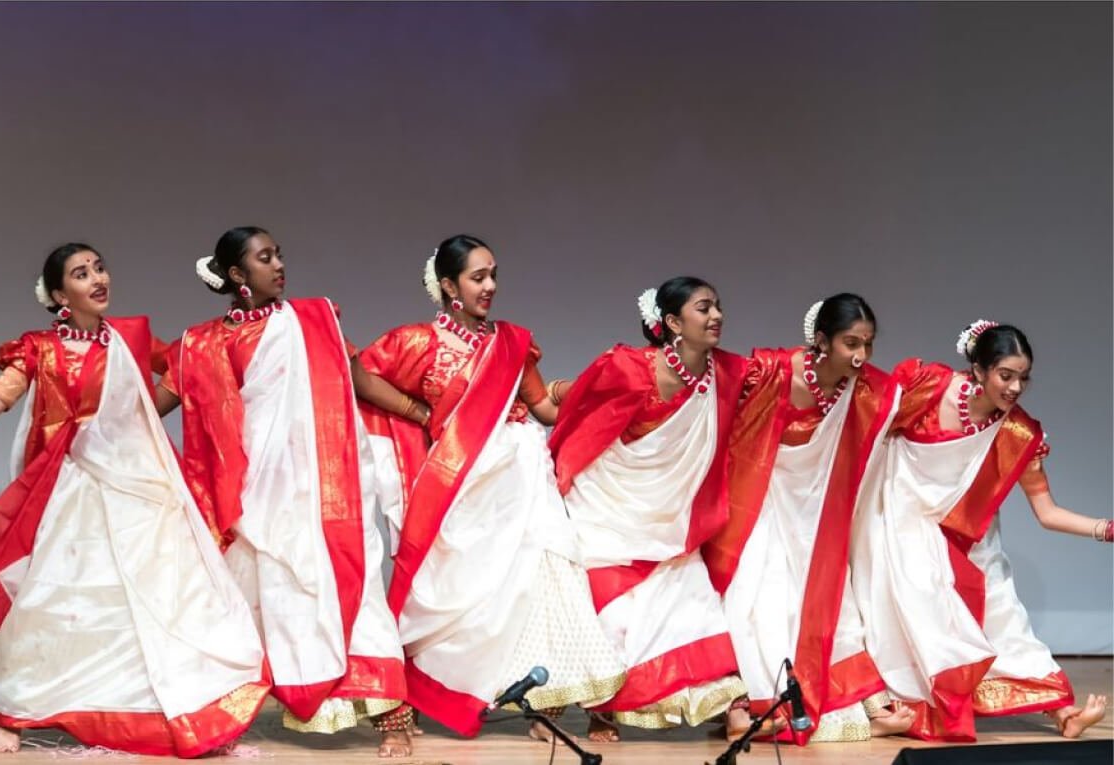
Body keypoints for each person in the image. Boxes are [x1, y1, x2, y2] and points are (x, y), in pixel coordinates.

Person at [0, 243, 269, 756]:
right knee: (58, 601)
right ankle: (24, 710)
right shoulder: (38, 348)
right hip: (73, 493)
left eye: (99, 267)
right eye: (81, 274)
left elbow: (188, 374)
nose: (98, 278)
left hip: (138, 488)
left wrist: (137, 420)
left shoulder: (130, 339)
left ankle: (155, 706)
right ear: (59, 294)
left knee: (161, 597)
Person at [157, 227, 415, 757]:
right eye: (265, 257)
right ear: (236, 275)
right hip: (253, 497)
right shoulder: (203, 344)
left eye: (279, 255)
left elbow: (358, 379)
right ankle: (225, 716)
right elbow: (156, 403)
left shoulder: (312, 320)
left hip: (327, 491)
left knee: (353, 589)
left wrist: (422, 414)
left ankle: (393, 719)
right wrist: (93, 420)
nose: (279, 265)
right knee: (256, 601)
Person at [359, 234, 625, 740]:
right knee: (458, 591)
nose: (491, 286)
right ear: (448, 285)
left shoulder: (512, 342)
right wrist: (417, 412)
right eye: (478, 277)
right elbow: (362, 376)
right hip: (463, 480)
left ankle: (543, 704)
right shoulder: (419, 341)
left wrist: (576, 390)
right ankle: (424, 692)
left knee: (541, 577)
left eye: (493, 275)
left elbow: (542, 408)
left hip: (521, 472)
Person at [850, 320, 1109, 741]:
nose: (1015, 388)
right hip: (898, 525)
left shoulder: (1019, 432)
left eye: (1023, 378)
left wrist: (1108, 529)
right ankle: (897, 710)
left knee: (1005, 616)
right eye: (1006, 376)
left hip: (970, 536)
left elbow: (1047, 511)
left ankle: (1063, 714)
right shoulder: (928, 388)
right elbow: (864, 423)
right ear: (978, 370)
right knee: (920, 611)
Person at [549, 277, 763, 741]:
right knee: (617, 616)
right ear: (671, 322)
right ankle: (601, 709)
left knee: (694, 609)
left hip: (671, 519)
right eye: (704, 308)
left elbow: (777, 385)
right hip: (611, 506)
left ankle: (730, 703)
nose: (717, 316)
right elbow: (576, 411)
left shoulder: (727, 372)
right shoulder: (626, 367)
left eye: (718, 307)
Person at [707, 293, 914, 743]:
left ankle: (859, 701)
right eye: (850, 343)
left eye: (868, 344)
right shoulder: (773, 372)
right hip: (762, 502)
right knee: (757, 598)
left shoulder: (869, 390)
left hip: (816, 514)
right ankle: (748, 702)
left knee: (836, 601)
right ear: (822, 340)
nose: (861, 355)